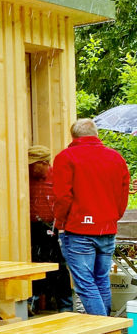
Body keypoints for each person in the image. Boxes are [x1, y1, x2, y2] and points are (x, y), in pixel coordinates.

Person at [52, 119, 130, 316]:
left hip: (79, 230)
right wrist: (113, 217)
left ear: (73, 136)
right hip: (107, 228)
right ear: (96, 134)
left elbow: (63, 196)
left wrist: (59, 223)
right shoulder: (116, 158)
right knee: (101, 280)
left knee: (86, 285)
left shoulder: (66, 157)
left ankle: (102, 333)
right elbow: (122, 195)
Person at [27, 145, 74, 313]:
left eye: (34, 164)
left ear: (45, 163)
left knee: (59, 267)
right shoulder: (26, 177)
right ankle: (33, 301)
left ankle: (65, 306)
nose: (31, 168)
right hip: (32, 227)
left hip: (54, 227)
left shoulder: (58, 177)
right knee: (35, 265)